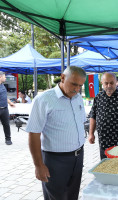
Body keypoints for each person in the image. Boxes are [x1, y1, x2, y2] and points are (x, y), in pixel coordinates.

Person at [26, 66, 87, 200]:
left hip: (77, 157)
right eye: (74, 84)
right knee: (55, 197)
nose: (77, 89)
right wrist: (38, 165)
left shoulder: (78, 98)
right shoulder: (44, 99)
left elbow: (79, 123)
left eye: (80, 86)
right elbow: (33, 133)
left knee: (72, 195)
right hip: (55, 160)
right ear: (63, 77)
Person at [88, 72, 118, 159]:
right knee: (105, 163)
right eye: (106, 83)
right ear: (102, 83)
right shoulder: (98, 97)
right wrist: (91, 133)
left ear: (116, 82)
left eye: (111, 83)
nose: (109, 85)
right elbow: (93, 116)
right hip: (103, 140)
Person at [0, 71, 15, 145]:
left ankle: (8, 139)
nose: (5, 78)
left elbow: (4, 97)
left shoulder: (3, 86)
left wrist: (10, 103)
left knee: (6, 124)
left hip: (5, 109)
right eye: (4, 77)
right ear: (0, 77)